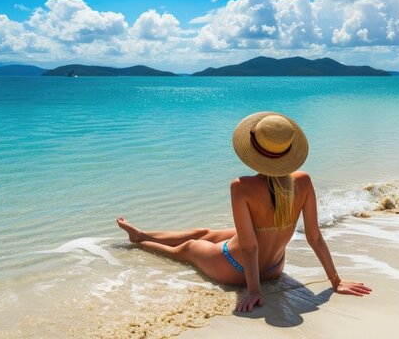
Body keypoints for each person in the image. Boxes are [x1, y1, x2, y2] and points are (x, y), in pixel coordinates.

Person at [117, 111, 371, 312]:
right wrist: (336, 281)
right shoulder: (303, 180)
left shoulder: (241, 186)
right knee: (208, 232)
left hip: (235, 269)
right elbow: (314, 237)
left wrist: (254, 291)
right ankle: (142, 232)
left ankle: (140, 241)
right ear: (289, 151)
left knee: (187, 248)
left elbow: (249, 247)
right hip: (274, 268)